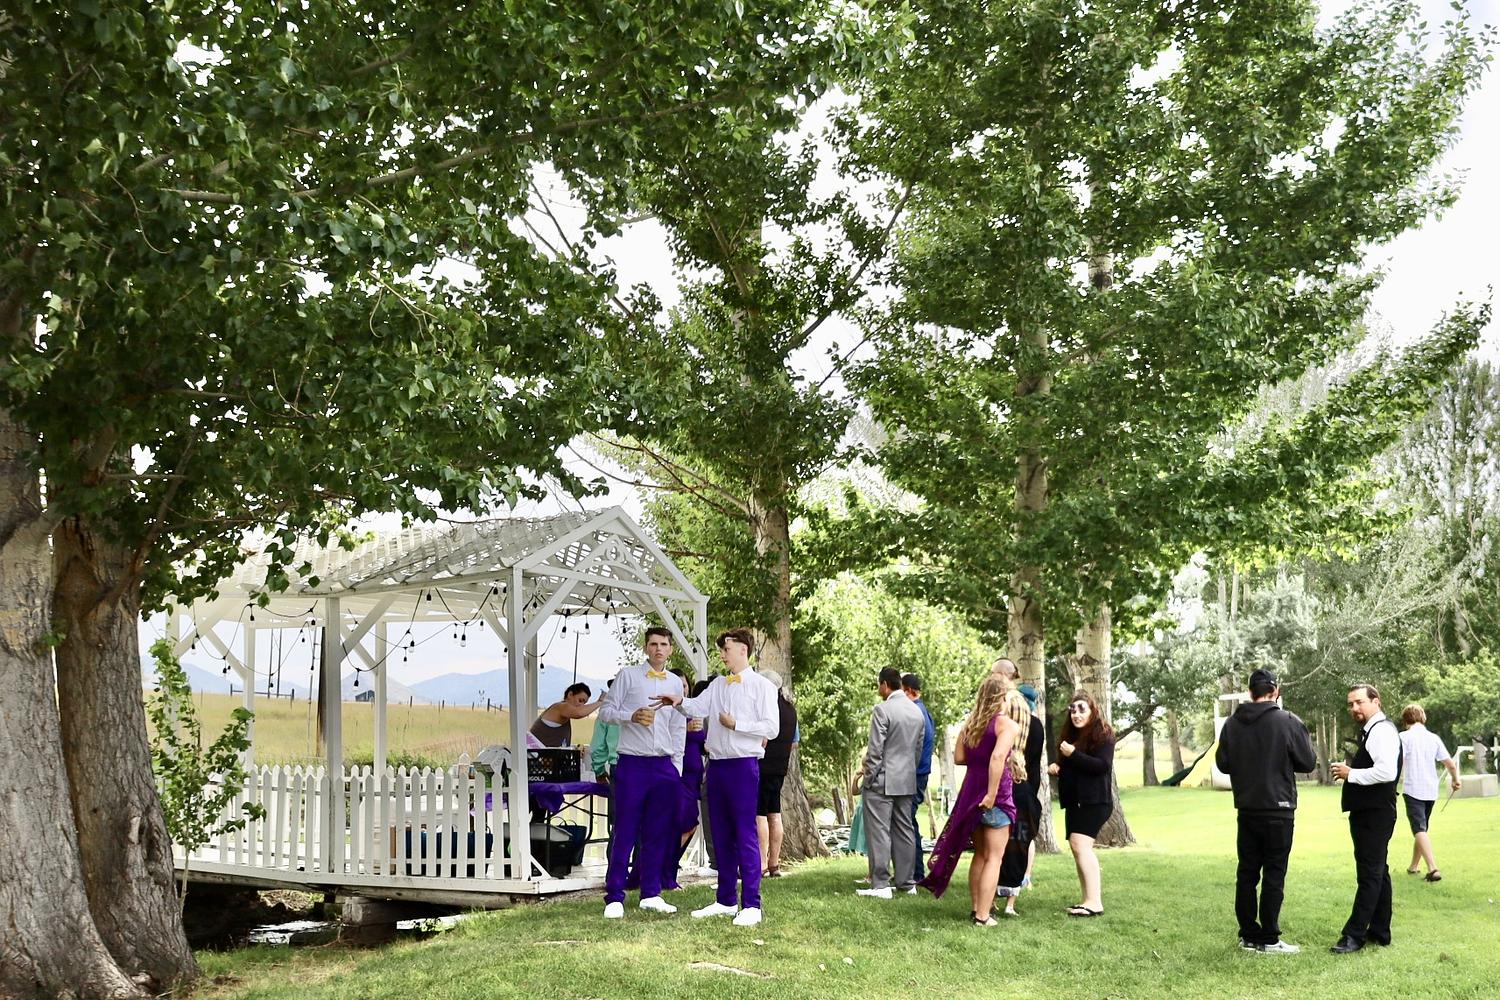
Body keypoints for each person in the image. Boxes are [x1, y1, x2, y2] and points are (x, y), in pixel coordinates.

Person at [655, 627, 779, 927]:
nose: (722, 654)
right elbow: (698, 706)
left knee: (745, 833)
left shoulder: (763, 686)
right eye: (722, 649)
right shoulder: (718, 685)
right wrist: (678, 701)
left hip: (743, 766)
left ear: (743, 650)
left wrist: (737, 724)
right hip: (717, 766)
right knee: (721, 834)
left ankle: (752, 904)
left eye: (727, 649)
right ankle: (725, 900)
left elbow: (771, 728)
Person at [1214, 668, 1317, 953]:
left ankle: (1248, 934)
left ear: (1250, 692)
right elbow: (1308, 762)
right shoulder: (1288, 721)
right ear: (1276, 692)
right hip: (1278, 808)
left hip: (1247, 808)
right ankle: (1270, 937)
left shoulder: (1232, 724)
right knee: (1274, 872)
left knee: (1247, 872)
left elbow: (1223, 764)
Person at [596, 627, 687, 918]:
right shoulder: (628, 676)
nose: (658, 649)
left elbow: (678, 727)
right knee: (625, 830)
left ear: (670, 649)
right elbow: (605, 712)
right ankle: (614, 896)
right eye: (653, 644)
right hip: (633, 763)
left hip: (664, 765)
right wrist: (631, 716)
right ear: (646, 648)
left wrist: (676, 767)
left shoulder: (675, 682)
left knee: (657, 832)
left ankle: (651, 893)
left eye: (664, 644)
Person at [917, 674, 1019, 926]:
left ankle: (976, 909)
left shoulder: (971, 724)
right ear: (1003, 697)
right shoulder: (1006, 725)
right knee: (994, 857)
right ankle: (983, 916)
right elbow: (998, 758)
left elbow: (959, 758)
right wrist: (992, 794)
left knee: (981, 854)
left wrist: (978, 759)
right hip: (995, 796)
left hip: (970, 793)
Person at [1330, 682, 1403, 953]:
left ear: (1376, 701)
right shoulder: (1373, 731)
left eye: (1359, 702)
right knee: (1378, 871)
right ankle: (1380, 932)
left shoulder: (1381, 731)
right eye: (1350, 704)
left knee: (1369, 874)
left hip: (1375, 814)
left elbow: (1386, 772)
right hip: (1372, 812)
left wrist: (1351, 773)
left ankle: (1355, 935)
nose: (1354, 708)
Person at [855, 667, 926, 901]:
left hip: (882, 780)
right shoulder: (916, 712)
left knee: (879, 832)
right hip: (906, 779)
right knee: (904, 830)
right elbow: (917, 750)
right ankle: (907, 882)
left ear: (885, 685)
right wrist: (909, 772)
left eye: (879, 685)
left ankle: (881, 884)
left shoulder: (882, 710)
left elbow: (876, 750)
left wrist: (868, 778)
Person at [1047, 689, 1115, 917]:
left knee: (1081, 845)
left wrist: (1073, 754)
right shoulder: (1072, 736)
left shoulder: (1104, 734)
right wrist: (1058, 767)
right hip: (1075, 801)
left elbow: (1101, 766)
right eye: (1073, 710)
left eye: (1081, 710)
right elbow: (1076, 766)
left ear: (1092, 711)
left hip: (1094, 801)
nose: (1076, 714)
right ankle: (1087, 900)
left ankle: (1095, 902)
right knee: (1077, 848)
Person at [1399, 703, 1461, 883]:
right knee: (1422, 829)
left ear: (1405, 720)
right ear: (1423, 717)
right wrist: (1455, 780)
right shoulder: (1433, 738)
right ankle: (1413, 866)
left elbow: (1398, 762)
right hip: (1430, 790)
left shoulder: (1403, 737)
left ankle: (1433, 868)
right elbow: (1450, 764)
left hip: (1413, 789)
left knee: (1419, 829)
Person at [998, 682, 1044, 916]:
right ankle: (1024, 877)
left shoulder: (1007, 725)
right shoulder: (1036, 726)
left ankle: (1000, 889)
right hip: (1027, 784)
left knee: (1006, 837)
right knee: (1024, 837)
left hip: (1012, 782)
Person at [757, 670, 798, 878]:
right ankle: (774, 863)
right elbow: (794, 742)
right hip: (780, 768)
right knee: (775, 813)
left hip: (762, 765)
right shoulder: (790, 709)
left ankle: (761, 863)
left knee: (759, 814)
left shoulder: (766, 706)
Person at [902, 673, 936, 882]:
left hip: (915, 775)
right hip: (919, 773)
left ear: (908, 691)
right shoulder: (924, 711)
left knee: (907, 822)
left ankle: (915, 872)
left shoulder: (915, 712)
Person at [530, 682, 602, 748]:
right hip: (535, 755)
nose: (581, 705)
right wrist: (600, 702)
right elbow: (579, 713)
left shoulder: (563, 711)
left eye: (584, 703)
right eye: (580, 700)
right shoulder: (561, 707)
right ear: (570, 694)